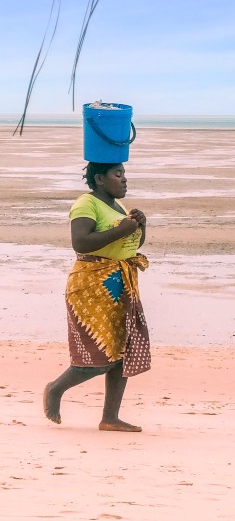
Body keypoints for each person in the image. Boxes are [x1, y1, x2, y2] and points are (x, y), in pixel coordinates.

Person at [43, 161, 150, 432]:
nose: (124, 179)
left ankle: (110, 418)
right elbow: (80, 242)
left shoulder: (118, 207)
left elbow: (129, 245)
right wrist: (123, 229)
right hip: (91, 287)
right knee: (99, 354)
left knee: (122, 353)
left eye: (124, 174)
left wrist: (140, 227)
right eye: (118, 174)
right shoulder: (85, 204)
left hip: (120, 284)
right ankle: (55, 389)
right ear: (100, 179)